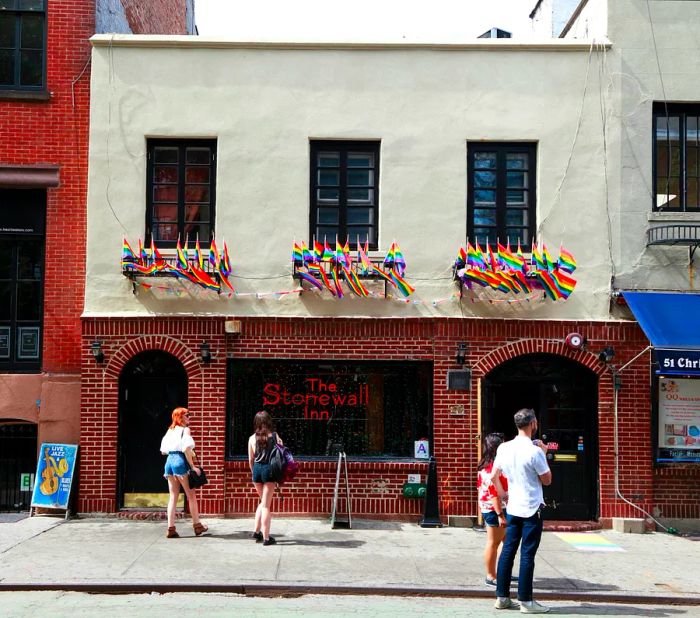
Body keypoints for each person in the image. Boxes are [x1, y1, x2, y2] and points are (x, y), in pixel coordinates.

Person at [491, 409, 552, 614]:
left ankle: (502, 597)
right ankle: (526, 600)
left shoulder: (504, 448)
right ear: (533, 423)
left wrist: (502, 494)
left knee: (508, 551)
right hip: (532, 507)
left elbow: (493, 476)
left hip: (513, 506)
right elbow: (547, 480)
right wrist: (544, 453)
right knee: (527, 554)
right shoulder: (535, 452)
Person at [160, 407, 208, 539]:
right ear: (180, 417)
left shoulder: (170, 430)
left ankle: (171, 529)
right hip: (180, 460)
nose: (189, 417)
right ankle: (197, 526)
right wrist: (193, 467)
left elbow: (163, 449)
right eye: (187, 415)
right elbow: (187, 448)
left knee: (173, 497)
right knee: (191, 496)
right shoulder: (185, 430)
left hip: (169, 461)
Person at [477, 432, 508, 586]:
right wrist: (500, 515)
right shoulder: (492, 469)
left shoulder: (486, 465)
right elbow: (494, 495)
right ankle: (491, 575)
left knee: (506, 541)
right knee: (493, 542)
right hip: (494, 509)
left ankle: (501, 571)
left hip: (491, 508)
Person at [248, 410, 283, 546]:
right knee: (266, 506)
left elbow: (250, 459)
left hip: (257, 469)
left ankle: (256, 532)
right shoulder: (274, 436)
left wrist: (253, 472)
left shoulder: (251, 438)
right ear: (268, 421)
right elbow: (281, 455)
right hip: (269, 470)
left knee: (263, 502)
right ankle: (267, 538)